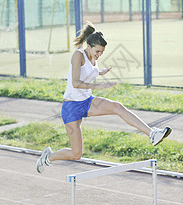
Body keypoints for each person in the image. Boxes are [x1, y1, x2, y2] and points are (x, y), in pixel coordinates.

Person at [36, 22, 172, 173]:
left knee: (117, 107)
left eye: (102, 52)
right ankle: (49, 157)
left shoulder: (93, 59)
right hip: (71, 108)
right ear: (89, 45)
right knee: (76, 154)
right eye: (98, 51)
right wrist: (98, 86)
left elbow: (89, 70)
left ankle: (152, 134)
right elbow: (75, 82)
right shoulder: (78, 55)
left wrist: (100, 72)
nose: (99, 55)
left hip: (87, 102)